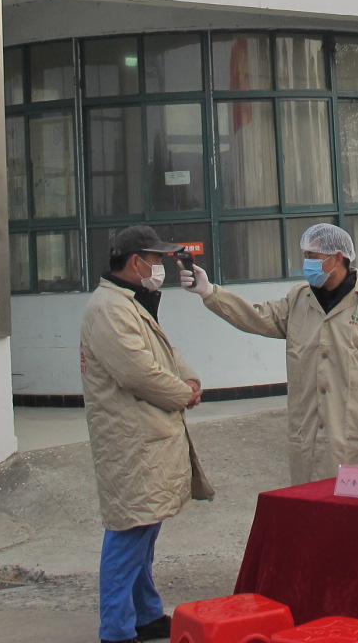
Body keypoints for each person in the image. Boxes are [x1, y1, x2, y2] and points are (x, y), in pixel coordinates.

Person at [181, 222, 358, 484]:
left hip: (353, 438)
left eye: (312, 256)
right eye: (305, 255)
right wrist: (210, 292)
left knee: (350, 505)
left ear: (337, 258)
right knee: (307, 505)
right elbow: (257, 317)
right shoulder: (299, 299)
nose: (306, 263)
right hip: (307, 438)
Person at [81, 226, 214, 643]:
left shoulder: (132, 301)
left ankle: (145, 613)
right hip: (131, 439)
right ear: (136, 261)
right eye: (156, 260)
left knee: (144, 528)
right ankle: (117, 630)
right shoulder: (108, 308)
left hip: (146, 435)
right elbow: (137, 371)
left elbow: (164, 354)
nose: (160, 268)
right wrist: (182, 394)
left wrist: (189, 379)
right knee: (129, 532)